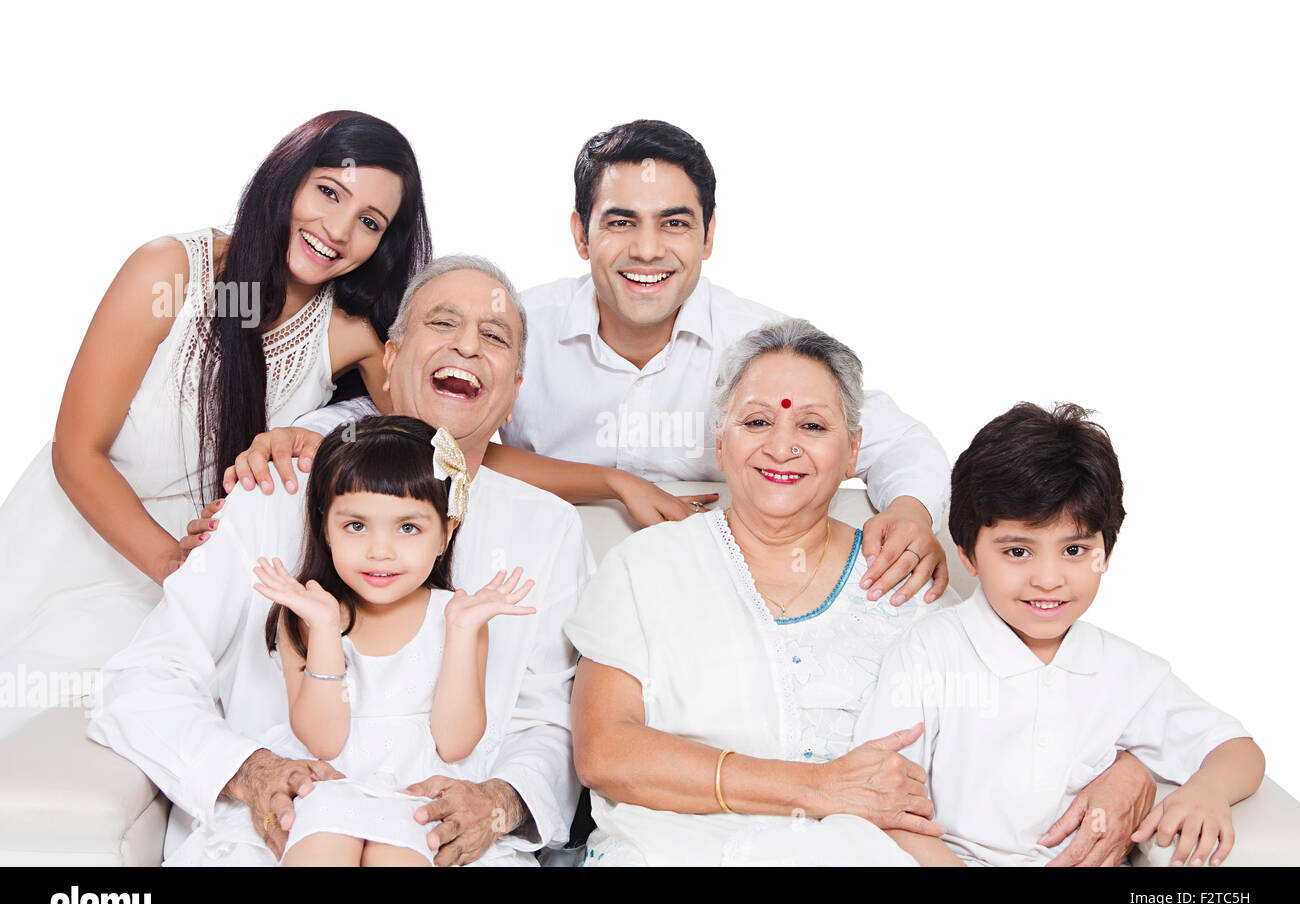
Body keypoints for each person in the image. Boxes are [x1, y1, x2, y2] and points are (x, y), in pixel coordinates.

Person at [224, 120, 954, 610]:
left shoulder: (762, 345)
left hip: (702, 595)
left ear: (708, 237)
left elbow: (894, 438)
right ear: (580, 234)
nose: (646, 250)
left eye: (674, 224)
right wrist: (313, 433)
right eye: (620, 223)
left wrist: (914, 512)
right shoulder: (511, 326)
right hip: (524, 583)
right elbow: (412, 410)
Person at [566, 321, 1155, 865]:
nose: (782, 446)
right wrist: (818, 788)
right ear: (720, 441)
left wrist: (1131, 774)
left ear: (853, 451)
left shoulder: (905, 577)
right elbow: (605, 753)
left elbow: (1041, 713)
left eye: (813, 426)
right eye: (756, 422)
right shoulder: (647, 568)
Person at [88, 256, 590, 867]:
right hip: (271, 830)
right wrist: (250, 774)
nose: (467, 345)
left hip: (448, 842)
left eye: (494, 336)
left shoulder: (550, 530)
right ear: (394, 359)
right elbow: (146, 678)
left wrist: (499, 802)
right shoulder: (275, 489)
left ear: (513, 393)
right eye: (444, 323)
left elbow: (554, 723)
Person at [0, 110, 431, 739]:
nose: (337, 230)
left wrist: (337, 437)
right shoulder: (169, 272)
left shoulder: (350, 333)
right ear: (288, 178)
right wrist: (171, 564)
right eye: (328, 192)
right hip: (81, 533)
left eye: (369, 222)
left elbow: (437, 447)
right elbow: (77, 452)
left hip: (201, 571)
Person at [853, 402, 1265, 867]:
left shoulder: (1123, 670)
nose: (1049, 579)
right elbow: (885, 805)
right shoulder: (932, 652)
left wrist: (1207, 791)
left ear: (1105, 553)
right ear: (968, 553)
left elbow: (1238, 750)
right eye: (1017, 551)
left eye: (1074, 549)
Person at [226, 417, 535, 867]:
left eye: (408, 528)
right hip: (328, 783)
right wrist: (326, 629)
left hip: (420, 789)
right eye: (356, 526)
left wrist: (464, 633)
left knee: (402, 852)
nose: (380, 550)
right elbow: (324, 741)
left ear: (445, 534)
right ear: (324, 526)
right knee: (323, 840)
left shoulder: (454, 617)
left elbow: (455, 743)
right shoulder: (308, 617)